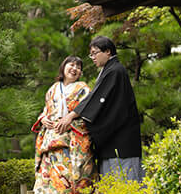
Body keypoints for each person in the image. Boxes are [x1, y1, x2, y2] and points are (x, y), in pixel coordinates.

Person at [54, 36, 143, 181]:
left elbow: (96, 98)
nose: (92, 57)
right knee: (112, 189)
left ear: (107, 52)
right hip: (113, 142)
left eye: (95, 53)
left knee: (124, 185)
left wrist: (71, 116)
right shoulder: (110, 70)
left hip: (121, 142)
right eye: (91, 54)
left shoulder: (115, 70)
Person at [29, 55, 95, 194]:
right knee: (49, 182)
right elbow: (46, 110)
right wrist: (43, 119)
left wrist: (69, 121)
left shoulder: (83, 89)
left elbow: (88, 111)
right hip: (51, 143)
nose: (74, 69)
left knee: (71, 182)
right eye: (71, 65)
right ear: (63, 67)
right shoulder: (52, 89)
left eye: (78, 67)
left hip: (71, 142)